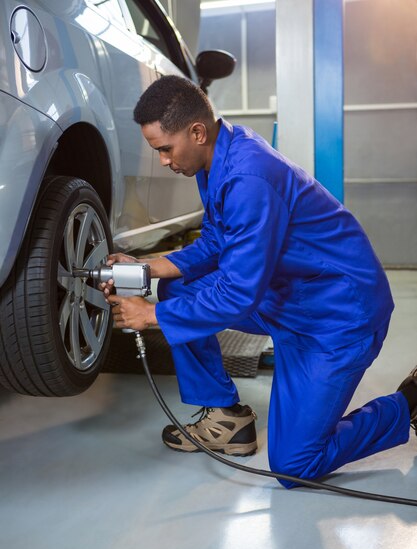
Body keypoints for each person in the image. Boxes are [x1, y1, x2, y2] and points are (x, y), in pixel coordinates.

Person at [102, 74, 417, 487]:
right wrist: (150, 268)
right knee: (173, 289)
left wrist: (150, 315)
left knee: (293, 466)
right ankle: (226, 418)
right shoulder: (215, 156)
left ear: (196, 131)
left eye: (165, 148)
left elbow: (236, 293)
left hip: (338, 317)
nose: (163, 160)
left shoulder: (248, 177)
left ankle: (408, 402)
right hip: (291, 297)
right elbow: (218, 239)